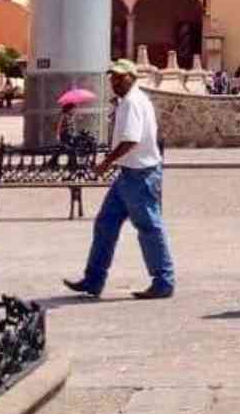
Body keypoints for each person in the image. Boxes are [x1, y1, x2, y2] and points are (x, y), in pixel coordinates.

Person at [63, 59, 176, 300]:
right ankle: (93, 280)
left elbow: (130, 140)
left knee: (148, 227)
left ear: (131, 78)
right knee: (105, 224)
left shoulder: (133, 102)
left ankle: (163, 281)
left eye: (119, 77)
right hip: (128, 174)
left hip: (140, 175)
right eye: (112, 77)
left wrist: (105, 163)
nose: (114, 81)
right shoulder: (128, 102)